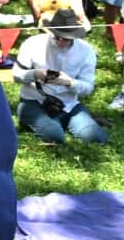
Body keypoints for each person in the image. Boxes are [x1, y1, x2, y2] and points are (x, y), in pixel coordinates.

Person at [12, 8, 105, 144]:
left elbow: (88, 86)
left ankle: (68, 122)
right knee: (54, 136)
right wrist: (36, 74)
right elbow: (16, 75)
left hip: (69, 104)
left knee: (95, 138)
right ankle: (47, 123)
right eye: (57, 37)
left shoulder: (86, 50)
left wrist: (70, 83)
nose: (60, 42)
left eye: (66, 39)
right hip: (35, 100)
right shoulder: (33, 43)